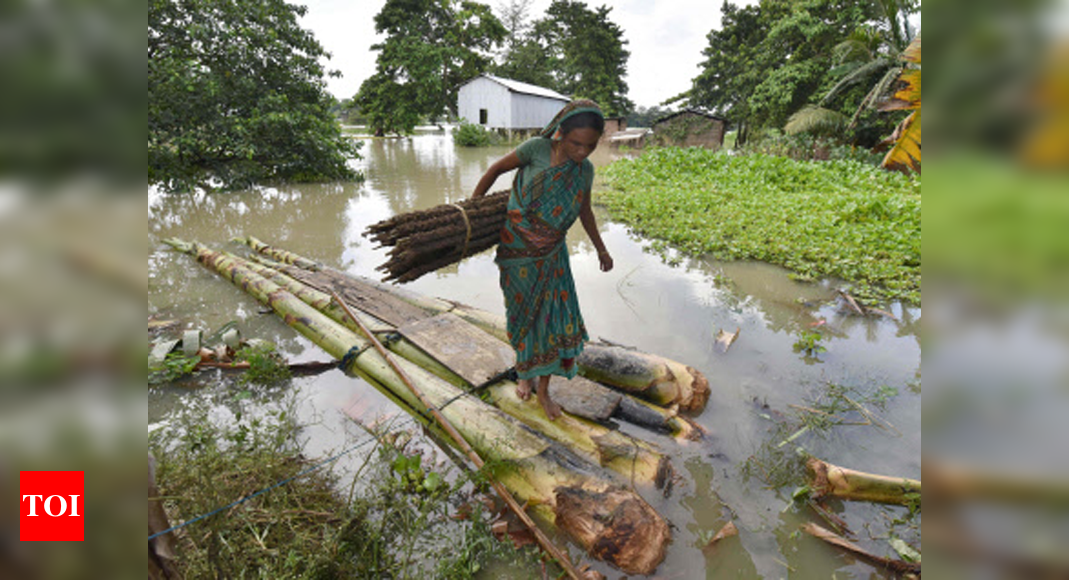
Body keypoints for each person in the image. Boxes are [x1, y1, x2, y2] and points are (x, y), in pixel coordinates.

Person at [470, 99, 613, 420]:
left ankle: (544, 390)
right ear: (560, 133)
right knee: (522, 314)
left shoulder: (584, 170)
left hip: (552, 255)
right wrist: (471, 209)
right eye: (576, 143)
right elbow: (495, 170)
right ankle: (524, 370)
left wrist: (602, 248)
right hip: (517, 251)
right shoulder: (535, 149)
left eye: (590, 146)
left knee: (551, 320)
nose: (581, 152)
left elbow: (584, 211)